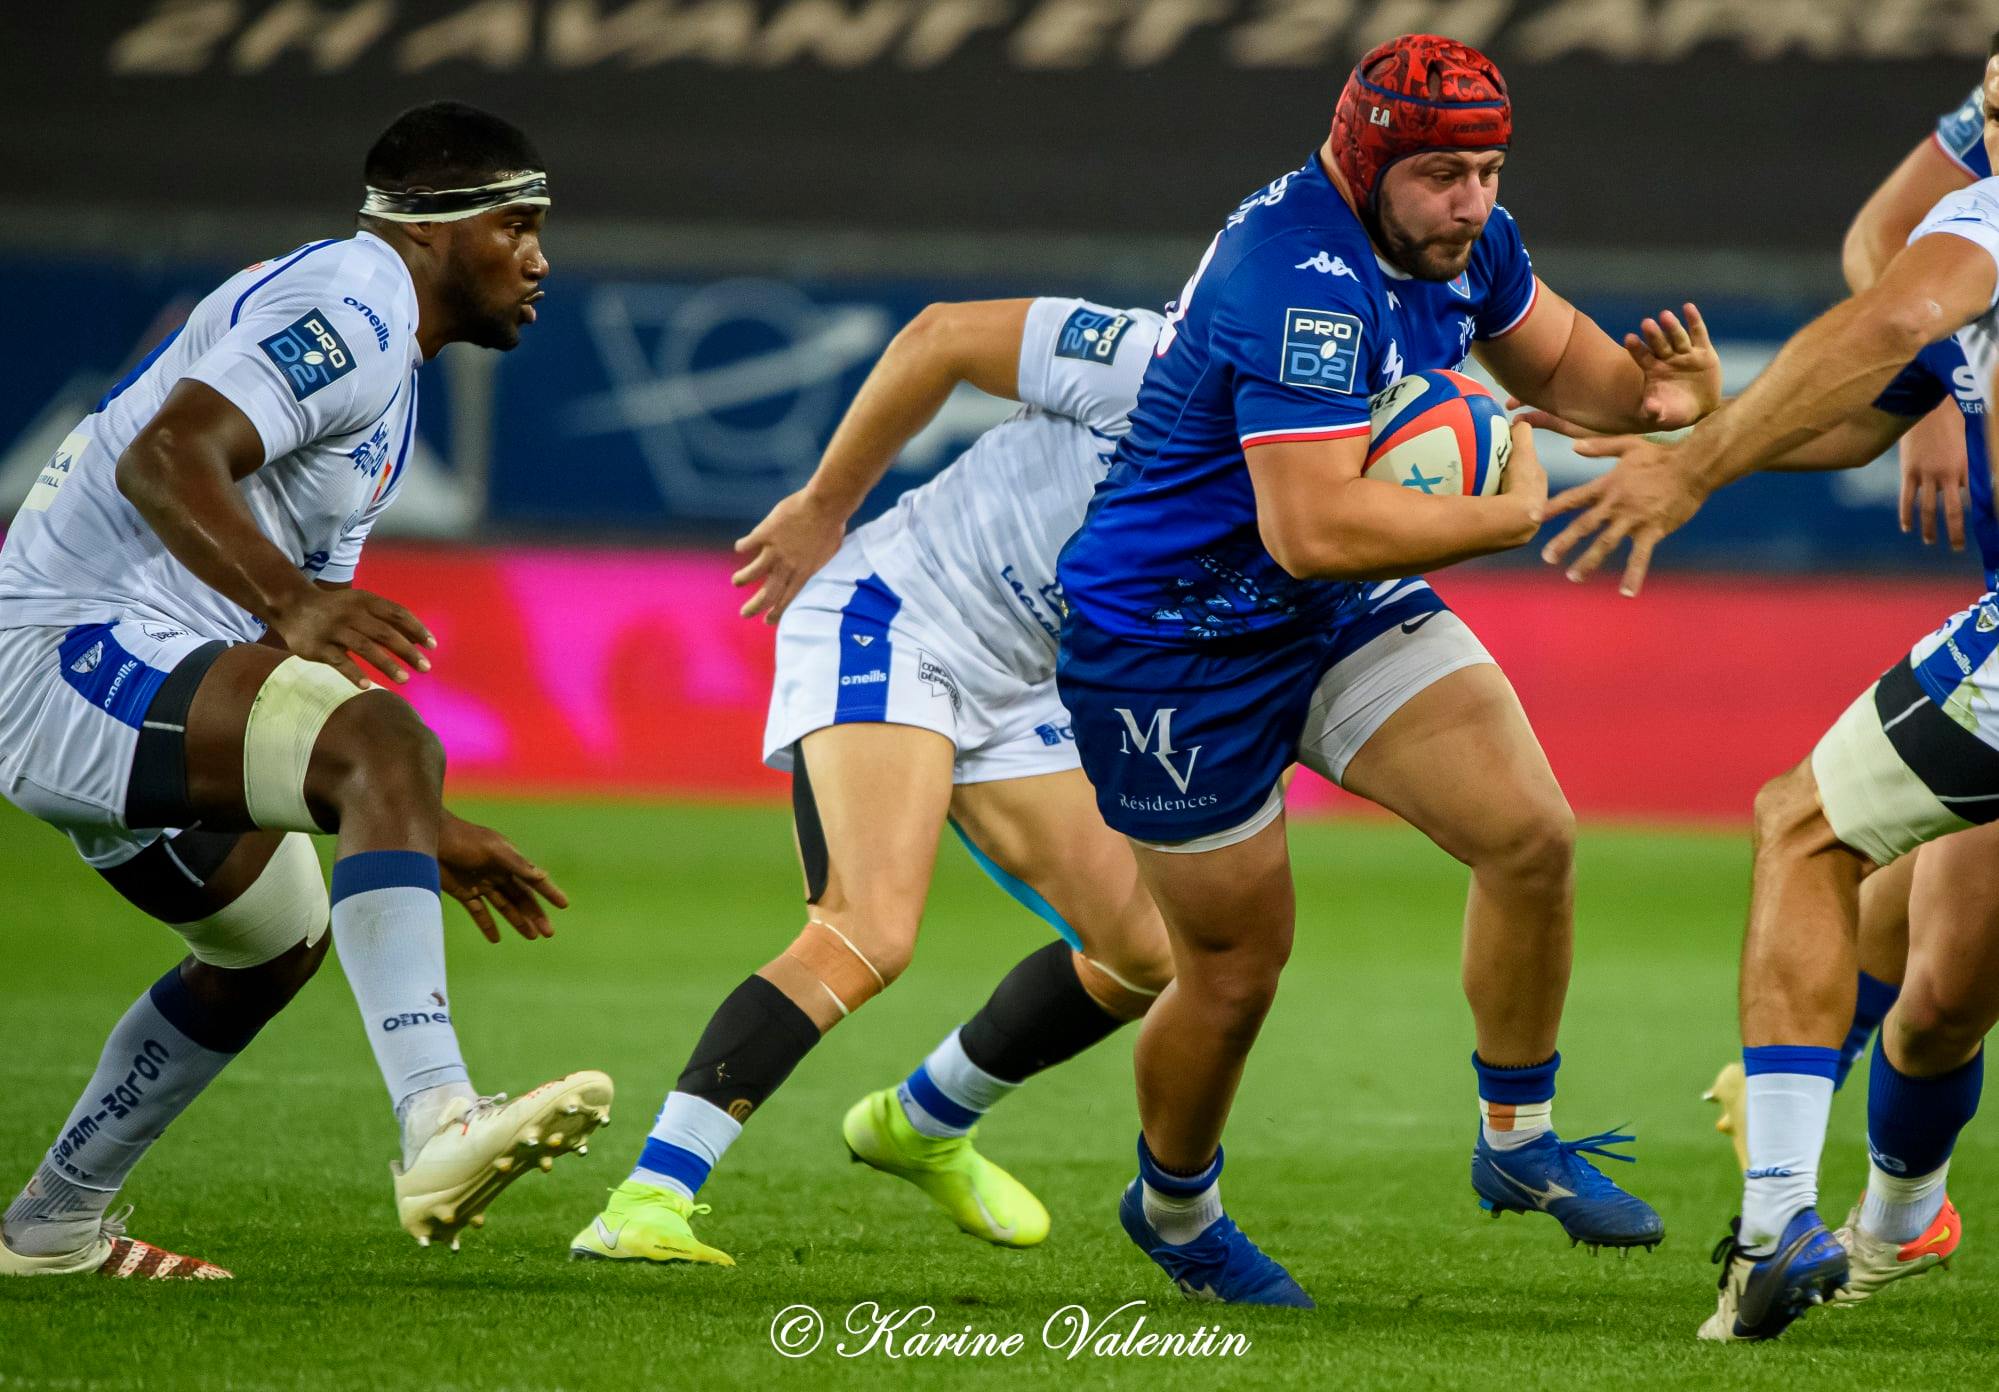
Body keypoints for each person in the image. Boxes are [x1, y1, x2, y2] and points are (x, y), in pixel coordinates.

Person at [1052, 33, 1718, 1306]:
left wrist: (1663, 400)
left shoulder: (1467, 241)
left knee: (1529, 836)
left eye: (1489, 169)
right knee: (1236, 972)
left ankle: (1516, 1145)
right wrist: (1509, 515)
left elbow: (1583, 379)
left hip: (1328, 608)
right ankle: (1175, 1208)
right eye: (1441, 176)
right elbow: (1316, 524)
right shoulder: (1294, 276)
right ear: (1367, 160)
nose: (1471, 201)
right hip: (1170, 647)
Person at [0, 101, 609, 1280]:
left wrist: (413, 820)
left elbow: (307, 689)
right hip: (70, 653)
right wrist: (291, 606)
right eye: (517, 226)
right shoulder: (356, 303)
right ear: (436, 229)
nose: (540, 258)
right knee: (383, 738)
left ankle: (53, 1226)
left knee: (273, 939)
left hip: (122, 676)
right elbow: (166, 456)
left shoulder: (383, 362)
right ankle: (438, 1115)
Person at [1537, 43, 1999, 1342]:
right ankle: (1895, 1226)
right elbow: (1860, 406)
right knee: (1946, 969)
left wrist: (1684, 479)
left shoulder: (1979, 222)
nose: (1982, 145)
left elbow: (1886, 311)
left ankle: (1770, 1224)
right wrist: (1709, 432)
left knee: (1800, 823)